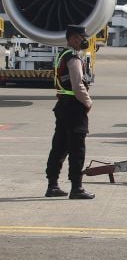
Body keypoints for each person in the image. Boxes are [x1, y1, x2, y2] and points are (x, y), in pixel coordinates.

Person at [45, 25, 95, 199]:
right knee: (77, 149)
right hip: (74, 107)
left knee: (59, 147)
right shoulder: (73, 58)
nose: (84, 41)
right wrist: (88, 102)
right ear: (74, 38)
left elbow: (60, 83)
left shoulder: (61, 55)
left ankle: (52, 185)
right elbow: (77, 85)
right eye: (82, 37)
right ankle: (77, 188)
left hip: (63, 106)